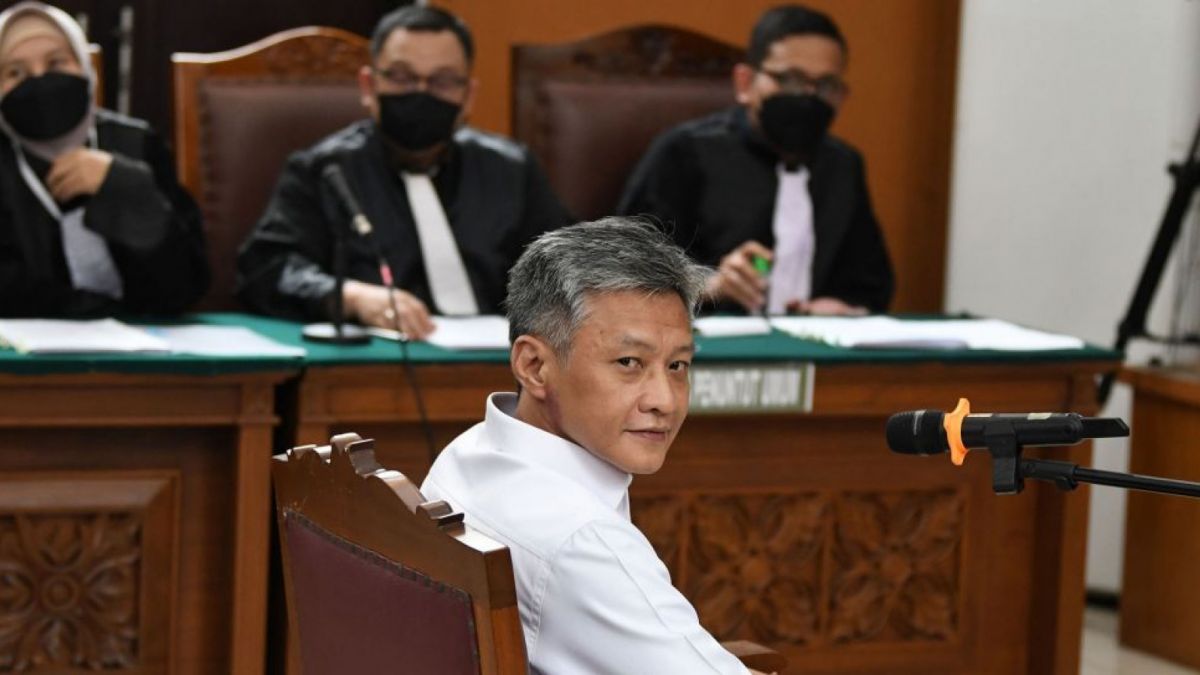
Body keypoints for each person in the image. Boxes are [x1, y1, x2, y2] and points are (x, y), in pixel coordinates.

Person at [422, 218, 771, 674]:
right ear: (534, 365)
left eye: (678, 365)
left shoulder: (469, 450)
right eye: (629, 362)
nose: (665, 401)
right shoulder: (584, 544)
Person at [237, 5, 572, 340]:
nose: (421, 93)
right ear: (369, 86)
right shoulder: (325, 169)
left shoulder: (511, 169)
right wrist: (352, 297)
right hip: (371, 371)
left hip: (501, 367)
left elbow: (568, 267)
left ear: (468, 96)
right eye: (401, 77)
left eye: (441, 81)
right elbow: (267, 269)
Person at [619, 4, 893, 316]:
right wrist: (710, 285)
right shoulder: (685, 153)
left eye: (826, 85)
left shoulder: (843, 166)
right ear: (746, 83)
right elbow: (623, 273)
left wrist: (846, 308)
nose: (807, 97)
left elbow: (870, 285)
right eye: (790, 80)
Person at [0, 2, 208, 317]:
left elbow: (187, 286)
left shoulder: (136, 144)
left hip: (145, 347)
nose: (39, 79)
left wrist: (124, 187)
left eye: (56, 63)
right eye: (15, 72)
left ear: (85, 68)